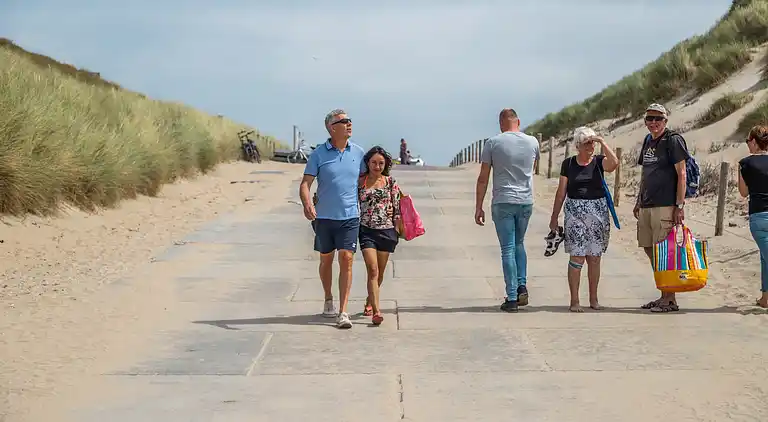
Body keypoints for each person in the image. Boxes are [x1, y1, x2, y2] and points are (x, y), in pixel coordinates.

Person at [299, 108, 366, 329]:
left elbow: (368, 180)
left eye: (350, 120)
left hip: (350, 216)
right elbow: (305, 184)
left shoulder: (358, 153)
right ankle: (329, 298)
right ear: (331, 127)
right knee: (326, 259)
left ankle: (344, 311)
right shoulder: (318, 154)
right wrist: (307, 203)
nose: (349, 124)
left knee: (346, 258)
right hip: (325, 217)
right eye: (343, 121)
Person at [475, 108, 540, 313]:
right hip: (525, 200)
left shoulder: (493, 143)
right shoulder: (533, 142)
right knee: (519, 244)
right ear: (518, 121)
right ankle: (521, 285)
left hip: (503, 200)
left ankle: (512, 297)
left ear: (501, 123)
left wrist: (478, 206)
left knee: (507, 248)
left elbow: (483, 177)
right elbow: (532, 168)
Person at [549, 127, 619, 312]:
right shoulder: (569, 164)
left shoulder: (598, 161)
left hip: (597, 212)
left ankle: (594, 300)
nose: (591, 146)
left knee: (594, 257)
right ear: (578, 146)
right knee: (577, 256)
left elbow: (614, 164)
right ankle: (574, 301)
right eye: (587, 143)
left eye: (593, 143)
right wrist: (554, 217)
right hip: (575, 212)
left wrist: (603, 142)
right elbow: (561, 192)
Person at [634, 103, 691, 313]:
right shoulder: (648, 141)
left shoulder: (673, 140)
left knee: (664, 252)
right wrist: (638, 200)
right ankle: (663, 294)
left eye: (658, 118)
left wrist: (679, 205)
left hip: (666, 205)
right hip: (647, 204)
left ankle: (670, 299)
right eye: (650, 119)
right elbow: (645, 173)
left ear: (665, 120)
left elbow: (682, 173)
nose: (654, 122)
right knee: (650, 249)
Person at [358, 146, 402, 325]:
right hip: (366, 230)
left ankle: (370, 301)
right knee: (373, 270)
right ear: (367, 163)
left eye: (381, 163)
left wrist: (397, 231)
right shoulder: (360, 181)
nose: (377, 166)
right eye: (374, 162)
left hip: (386, 230)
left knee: (380, 273)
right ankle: (377, 311)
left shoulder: (390, 182)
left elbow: (397, 209)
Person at [738, 125, 768, 308]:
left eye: (748, 141)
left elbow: (743, 192)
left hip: (758, 215)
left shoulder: (745, 163)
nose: (748, 144)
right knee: (764, 258)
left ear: (755, 142)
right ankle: (765, 298)